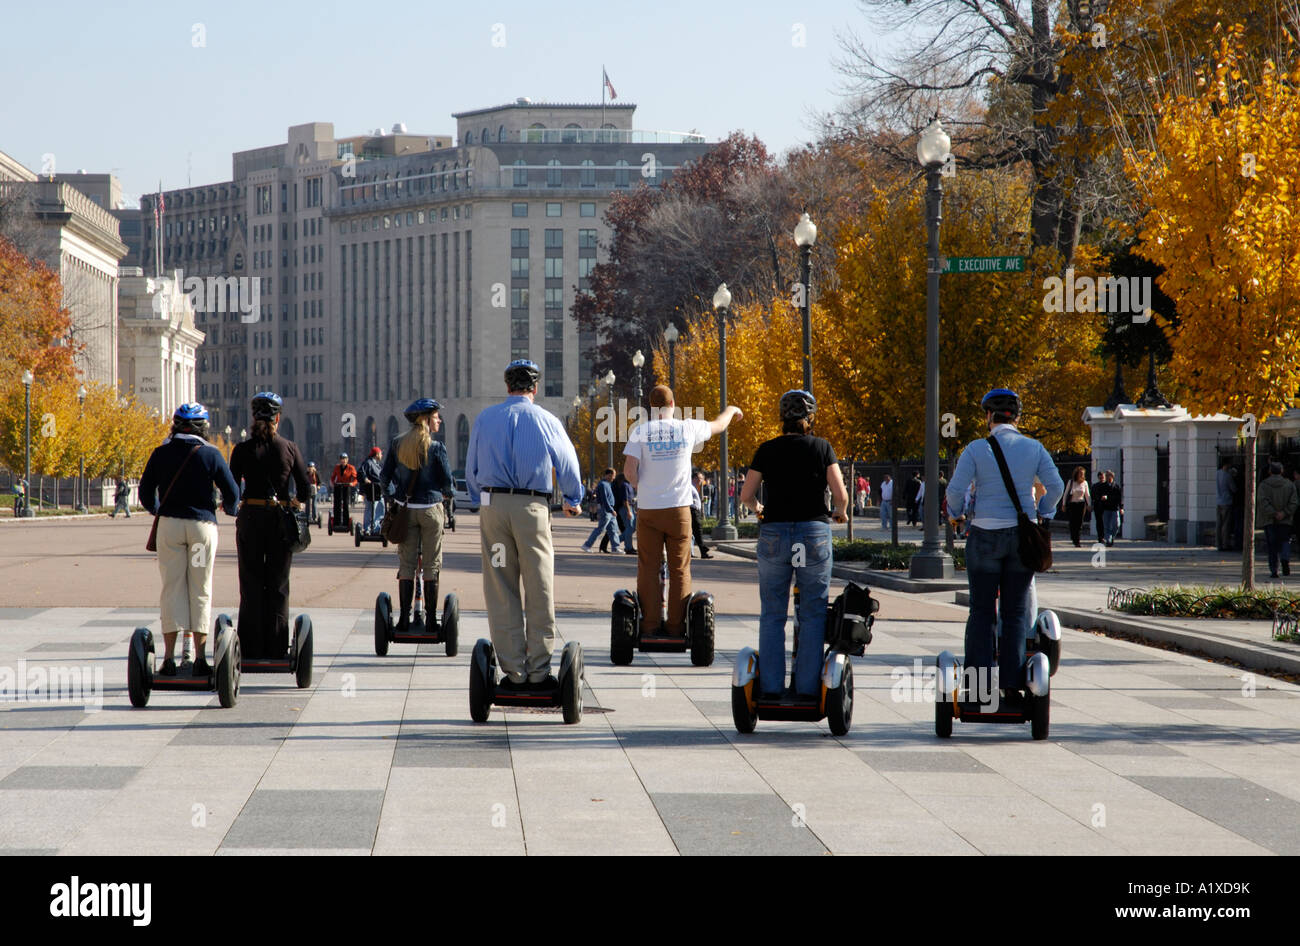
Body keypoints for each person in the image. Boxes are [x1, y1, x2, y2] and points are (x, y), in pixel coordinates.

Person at [466, 360, 584, 688]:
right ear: (534, 388)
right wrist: (574, 499)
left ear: (507, 387)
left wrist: (481, 501)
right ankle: (539, 670)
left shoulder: (485, 419)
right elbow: (568, 463)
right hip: (532, 507)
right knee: (539, 584)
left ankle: (513, 671)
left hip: (494, 507)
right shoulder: (546, 420)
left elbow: (471, 468)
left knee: (500, 587)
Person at [946, 388, 1063, 702]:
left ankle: (979, 686)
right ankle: (1011, 686)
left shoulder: (975, 449)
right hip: (1020, 539)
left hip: (983, 535)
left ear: (988, 417)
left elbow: (955, 491)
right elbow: (1056, 485)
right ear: (1018, 417)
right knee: (1014, 613)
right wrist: (1045, 511)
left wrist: (956, 515)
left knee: (981, 612)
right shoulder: (1034, 447)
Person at [739, 390, 847, 699]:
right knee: (813, 612)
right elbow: (840, 495)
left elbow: (746, 496)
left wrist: (759, 510)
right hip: (813, 532)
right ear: (810, 419)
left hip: (775, 533)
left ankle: (771, 689)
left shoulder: (767, 449)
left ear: (782, 419)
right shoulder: (822, 447)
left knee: (773, 613)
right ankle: (807, 688)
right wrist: (840, 513)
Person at [624, 384, 741, 638]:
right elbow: (719, 425)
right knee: (679, 568)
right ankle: (676, 627)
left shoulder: (640, 431)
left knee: (648, 567)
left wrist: (643, 487)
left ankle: (650, 625)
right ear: (672, 404)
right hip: (679, 509)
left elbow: (629, 472)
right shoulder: (687, 427)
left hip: (649, 510)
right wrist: (731, 410)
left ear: (651, 407)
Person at [138, 403, 239, 675]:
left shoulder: (160, 453)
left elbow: (145, 491)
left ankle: (169, 658)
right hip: (200, 528)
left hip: (170, 527)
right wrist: (230, 508)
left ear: (175, 425)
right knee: (200, 589)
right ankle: (201, 659)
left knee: (171, 588)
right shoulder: (211, 454)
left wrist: (157, 509)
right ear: (204, 427)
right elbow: (232, 491)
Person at [228, 392, 311, 660]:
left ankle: (250, 647)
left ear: (253, 418)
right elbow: (306, 489)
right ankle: (276, 647)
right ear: (278, 418)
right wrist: (294, 502)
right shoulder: (289, 447)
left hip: (250, 517)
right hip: (279, 520)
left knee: (250, 582)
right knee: (278, 584)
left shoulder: (241, 450)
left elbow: (231, 488)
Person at [380, 398, 454, 630]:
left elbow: (384, 477)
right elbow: (448, 484)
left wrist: (393, 496)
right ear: (425, 419)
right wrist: (445, 496)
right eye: (436, 416)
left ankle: (404, 619)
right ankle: (431, 621)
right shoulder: (437, 448)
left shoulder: (397, 444)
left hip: (406, 511)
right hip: (431, 510)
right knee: (432, 566)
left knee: (407, 565)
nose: (439, 420)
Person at [1257, 460, 1298, 578]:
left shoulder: (1263, 485)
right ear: (1282, 471)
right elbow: (1294, 502)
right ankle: (1285, 558)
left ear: (1270, 471)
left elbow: (1262, 502)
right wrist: (1284, 513)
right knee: (1285, 541)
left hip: (1269, 520)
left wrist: (1273, 513)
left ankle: (1273, 570)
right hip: (1285, 520)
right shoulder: (1290, 485)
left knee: (1272, 545)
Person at [582, 468, 623, 553]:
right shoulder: (603, 485)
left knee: (613, 529)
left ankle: (615, 548)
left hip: (609, 510)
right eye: (613, 475)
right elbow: (604, 499)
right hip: (606, 510)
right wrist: (611, 510)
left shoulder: (607, 484)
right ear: (609, 475)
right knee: (600, 529)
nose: (614, 478)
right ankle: (587, 545)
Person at [1060, 466, 1091, 547]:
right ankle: (1074, 538)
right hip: (1072, 505)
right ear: (1076, 474)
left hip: (1081, 504)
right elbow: (1066, 494)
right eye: (1080, 473)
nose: (1082, 475)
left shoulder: (1085, 483)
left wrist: (1089, 504)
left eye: (1083, 474)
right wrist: (1063, 504)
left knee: (1079, 523)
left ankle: (1077, 540)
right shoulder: (1071, 482)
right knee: (1072, 523)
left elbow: (1087, 495)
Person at [358, 446, 386, 535]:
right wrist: (365, 479)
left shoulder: (377, 464)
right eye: (381, 453)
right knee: (370, 509)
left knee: (380, 509)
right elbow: (360, 472)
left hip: (379, 490)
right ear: (377, 454)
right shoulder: (368, 463)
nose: (382, 455)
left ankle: (377, 528)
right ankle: (367, 529)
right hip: (371, 490)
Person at [330, 452, 357, 527]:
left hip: (346, 486)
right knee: (337, 504)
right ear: (340, 460)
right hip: (338, 486)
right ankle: (336, 522)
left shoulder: (351, 468)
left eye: (345, 459)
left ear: (347, 460)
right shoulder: (337, 467)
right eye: (342, 459)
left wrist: (352, 483)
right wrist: (332, 483)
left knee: (345, 504)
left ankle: (345, 522)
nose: (343, 461)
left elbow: (355, 478)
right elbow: (333, 477)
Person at [1216, 458, 1237, 551]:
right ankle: (1225, 544)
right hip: (1226, 501)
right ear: (1226, 465)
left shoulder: (1217, 473)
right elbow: (1234, 489)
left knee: (1219, 524)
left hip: (1218, 501)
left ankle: (1218, 543)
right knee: (1226, 524)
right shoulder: (1227, 476)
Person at [690, 470, 712, 558]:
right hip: (692, 511)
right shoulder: (690, 487)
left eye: (702, 478)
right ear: (694, 479)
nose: (701, 480)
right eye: (700, 478)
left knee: (696, 532)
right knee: (697, 530)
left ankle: (703, 550)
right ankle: (703, 549)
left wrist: (700, 500)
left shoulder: (694, 487)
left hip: (695, 511)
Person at [1102, 470, 1123, 546]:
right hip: (1106, 508)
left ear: (1112, 477)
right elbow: (1100, 495)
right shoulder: (1103, 486)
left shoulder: (1116, 486)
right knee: (1106, 526)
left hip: (1115, 508)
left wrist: (1121, 508)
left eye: (1108, 476)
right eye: (1106, 476)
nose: (1107, 477)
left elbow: (1120, 498)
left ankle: (1111, 537)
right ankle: (1108, 540)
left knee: (1117, 524)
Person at [1092, 469, 1109, 542]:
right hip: (1098, 506)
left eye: (1103, 477)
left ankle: (1107, 536)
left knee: (1107, 522)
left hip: (1107, 507)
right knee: (1099, 522)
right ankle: (1100, 537)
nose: (1102, 478)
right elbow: (1093, 496)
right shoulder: (1095, 486)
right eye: (1100, 477)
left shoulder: (1108, 485)